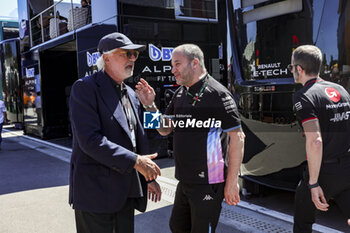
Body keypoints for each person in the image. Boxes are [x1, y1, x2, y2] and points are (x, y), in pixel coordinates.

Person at [136, 44, 245, 233]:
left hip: (209, 183)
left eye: (177, 64)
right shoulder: (180, 93)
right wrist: (150, 106)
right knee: (177, 227)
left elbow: (238, 137)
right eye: (172, 65)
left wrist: (232, 182)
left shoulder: (218, 94)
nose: (173, 70)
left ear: (195, 63)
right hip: (185, 180)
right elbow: (164, 130)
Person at [69, 32, 162, 233]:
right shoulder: (85, 88)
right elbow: (90, 141)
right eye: (125, 54)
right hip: (95, 195)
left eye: (134, 55)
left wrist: (151, 107)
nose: (132, 59)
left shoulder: (131, 93)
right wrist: (137, 162)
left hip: (125, 193)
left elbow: (147, 138)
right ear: (106, 58)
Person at [290, 45, 350, 232]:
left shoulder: (304, 96)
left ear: (299, 69)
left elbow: (315, 140)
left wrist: (314, 183)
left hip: (324, 171)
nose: (292, 71)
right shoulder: (340, 90)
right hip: (347, 168)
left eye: (291, 67)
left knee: (302, 223)